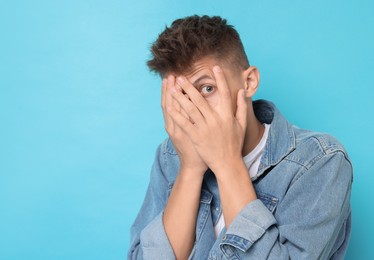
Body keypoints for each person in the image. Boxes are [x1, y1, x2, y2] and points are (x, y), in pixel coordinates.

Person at [128, 15, 353, 260]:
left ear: (249, 82)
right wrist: (190, 169)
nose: (193, 107)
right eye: (181, 95)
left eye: (207, 88)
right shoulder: (170, 156)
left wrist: (226, 163)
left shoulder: (321, 161)